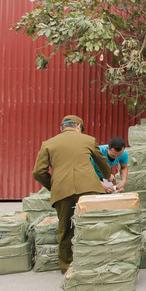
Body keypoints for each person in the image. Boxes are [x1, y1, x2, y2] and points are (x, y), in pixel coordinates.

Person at [32, 114, 111, 273]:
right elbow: (103, 163)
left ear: (61, 128)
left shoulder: (48, 144)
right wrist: (107, 176)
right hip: (89, 189)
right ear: (78, 127)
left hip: (62, 192)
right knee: (94, 225)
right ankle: (96, 261)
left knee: (66, 230)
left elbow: (38, 172)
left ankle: (66, 266)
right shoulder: (88, 140)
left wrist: (54, 186)